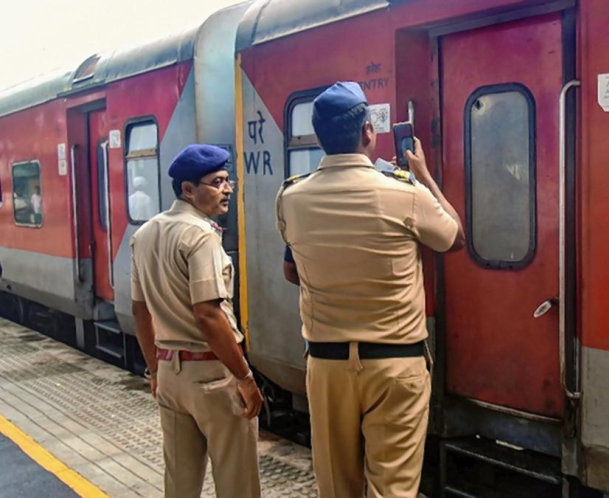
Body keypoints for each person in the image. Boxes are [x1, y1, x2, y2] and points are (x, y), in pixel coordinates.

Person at [276, 82, 465, 498]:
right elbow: (455, 239)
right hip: (395, 367)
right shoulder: (405, 193)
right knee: (392, 490)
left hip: (326, 367)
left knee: (336, 489)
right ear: (367, 133)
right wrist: (425, 177)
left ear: (320, 137)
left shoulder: (291, 197)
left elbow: (293, 271)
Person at [130, 144, 262, 498]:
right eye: (218, 182)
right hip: (212, 377)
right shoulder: (200, 235)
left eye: (227, 180)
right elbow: (208, 315)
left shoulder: (145, 234)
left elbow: (140, 312)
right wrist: (245, 378)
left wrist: (155, 372)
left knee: (180, 484)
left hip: (170, 375)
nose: (228, 189)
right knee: (237, 483)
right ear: (189, 190)